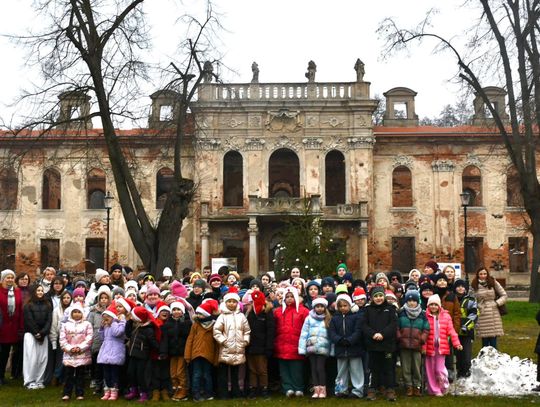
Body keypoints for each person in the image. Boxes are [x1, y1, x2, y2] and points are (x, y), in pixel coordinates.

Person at [213, 286, 251, 399]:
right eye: (229, 301)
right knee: (223, 374)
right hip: (225, 349)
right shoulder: (222, 316)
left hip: (238, 349)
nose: (231, 304)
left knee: (236, 373)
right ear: (225, 303)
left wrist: (245, 341)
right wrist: (223, 341)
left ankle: (236, 392)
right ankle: (223, 393)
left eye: (234, 301)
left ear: (237, 303)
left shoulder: (241, 316)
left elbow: (247, 330)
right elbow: (216, 331)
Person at [362, 285, 398, 401]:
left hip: (387, 345)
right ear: (372, 298)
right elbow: (364, 325)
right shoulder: (368, 310)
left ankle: (390, 390)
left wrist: (383, 334)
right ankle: (372, 389)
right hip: (373, 345)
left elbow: (393, 325)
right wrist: (373, 334)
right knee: (374, 368)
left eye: (380, 296)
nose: (378, 298)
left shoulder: (390, 309)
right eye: (376, 296)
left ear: (384, 296)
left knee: (388, 368)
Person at [423, 294, 462, 396]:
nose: (433, 307)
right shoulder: (425, 316)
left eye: (436, 305)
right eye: (431, 304)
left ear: (439, 306)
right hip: (429, 347)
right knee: (430, 370)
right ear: (428, 306)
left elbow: (451, 331)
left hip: (441, 347)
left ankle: (443, 386)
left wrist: (457, 343)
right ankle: (434, 390)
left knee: (439, 369)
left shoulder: (446, 316)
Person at [273, 286, 309, 397]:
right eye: (287, 297)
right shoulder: (278, 312)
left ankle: (298, 388)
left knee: (296, 369)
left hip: (297, 345)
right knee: (284, 369)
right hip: (281, 344)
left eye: (292, 296)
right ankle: (287, 388)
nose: (289, 299)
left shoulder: (304, 311)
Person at [328, 294, 364, 399]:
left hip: (354, 348)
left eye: (345, 305)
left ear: (350, 305)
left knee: (356, 370)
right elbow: (332, 332)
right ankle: (341, 389)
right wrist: (339, 340)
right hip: (340, 348)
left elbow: (358, 331)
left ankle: (358, 390)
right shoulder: (335, 318)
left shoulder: (356, 317)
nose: (343, 308)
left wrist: (350, 340)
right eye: (340, 306)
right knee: (341, 371)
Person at [184, 299, 220, 402]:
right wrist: (187, 355)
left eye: (201, 314)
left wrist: (216, 358)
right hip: (196, 354)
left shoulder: (214, 326)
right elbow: (190, 340)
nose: (198, 315)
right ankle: (196, 393)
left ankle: (208, 393)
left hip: (209, 354)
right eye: (198, 313)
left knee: (207, 375)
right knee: (197, 374)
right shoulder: (196, 325)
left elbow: (216, 344)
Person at [397, 290, 429, 396]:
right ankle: (408, 386)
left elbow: (426, 328)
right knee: (405, 367)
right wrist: (399, 337)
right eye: (409, 301)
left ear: (417, 302)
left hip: (417, 345)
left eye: (414, 301)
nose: (411, 303)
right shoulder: (401, 312)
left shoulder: (422, 314)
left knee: (416, 367)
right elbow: (397, 327)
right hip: (404, 344)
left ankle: (417, 386)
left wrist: (422, 339)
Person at [124, 306, 159, 402]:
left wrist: (158, 349)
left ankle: (144, 393)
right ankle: (133, 390)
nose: (131, 317)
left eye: (133, 316)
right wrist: (129, 322)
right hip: (133, 354)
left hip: (142, 356)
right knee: (131, 373)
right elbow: (128, 334)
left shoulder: (148, 329)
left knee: (141, 375)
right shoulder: (137, 326)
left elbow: (153, 342)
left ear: (139, 318)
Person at [298, 297, 331, 398]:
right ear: (314, 307)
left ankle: (323, 390)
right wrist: (302, 348)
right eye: (317, 306)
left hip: (323, 348)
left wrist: (332, 349)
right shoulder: (309, 318)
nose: (319, 308)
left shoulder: (328, 318)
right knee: (313, 368)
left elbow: (331, 336)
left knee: (320, 368)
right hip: (311, 347)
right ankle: (316, 390)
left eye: (322, 306)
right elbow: (304, 333)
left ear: (325, 307)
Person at [60, 303, 93, 401]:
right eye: (74, 312)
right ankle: (67, 393)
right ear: (71, 313)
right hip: (69, 354)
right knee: (68, 375)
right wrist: (70, 349)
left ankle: (80, 393)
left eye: (79, 312)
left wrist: (80, 348)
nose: (77, 314)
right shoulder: (65, 325)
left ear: (82, 313)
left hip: (81, 354)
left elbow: (89, 338)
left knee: (80, 375)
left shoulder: (87, 324)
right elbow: (62, 340)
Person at [245, 290, 274, 399]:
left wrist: (269, 347)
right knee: (252, 369)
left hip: (262, 346)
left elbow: (270, 330)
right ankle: (253, 388)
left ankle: (264, 388)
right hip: (251, 346)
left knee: (262, 369)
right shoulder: (250, 312)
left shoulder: (267, 312)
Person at [23, 284, 52, 389]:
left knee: (42, 358)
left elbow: (49, 321)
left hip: (43, 335)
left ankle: (39, 380)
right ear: (33, 292)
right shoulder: (28, 305)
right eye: (38, 290)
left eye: (41, 290)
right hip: (31, 334)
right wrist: (36, 333)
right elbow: (29, 320)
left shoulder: (47, 304)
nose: (40, 292)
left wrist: (42, 333)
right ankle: (29, 380)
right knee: (32, 358)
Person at [470, 266, 507, 349]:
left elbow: (504, 295)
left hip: (493, 312)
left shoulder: (493, 282)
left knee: (493, 340)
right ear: (477, 275)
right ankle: (484, 356)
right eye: (481, 274)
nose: (483, 276)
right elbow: (471, 299)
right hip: (482, 313)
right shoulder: (474, 284)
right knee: (484, 341)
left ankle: (495, 356)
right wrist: (477, 305)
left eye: (485, 274)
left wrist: (496, 303)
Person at [162, 301, 192, 401]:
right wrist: (164, 351)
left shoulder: (186, 322)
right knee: (173, 373)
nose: (176, 311)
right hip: (172, 352)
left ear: (182, 311)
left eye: (178, 309)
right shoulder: (168, 324)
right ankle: (175, 389)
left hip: (182, 352)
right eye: (174, 310)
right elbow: (165, 339)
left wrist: (182, 323)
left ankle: (183, 390)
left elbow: (187, 336)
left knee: (180, 372)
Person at [97, 304, 126, 401]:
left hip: (115, 352)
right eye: (104, 318)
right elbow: (102, 338)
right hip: (106, 352)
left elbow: (117, 333)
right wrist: (101, 328)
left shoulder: (118, 324)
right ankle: (107, 391)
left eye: (108, 317)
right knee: (106, 374)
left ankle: (114, 391)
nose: (106, 320)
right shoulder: (106, 327)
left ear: (113, 317)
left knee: (114, 373)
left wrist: (113, 322)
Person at [87, 285, 112, 394]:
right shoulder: (93, 311)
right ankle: (98, 384)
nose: (103, 300)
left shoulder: (112, 311)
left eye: (106, 298)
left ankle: (107, 383)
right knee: (97, 365)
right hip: (96, 340)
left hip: (108, 340)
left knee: (107, 364)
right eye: (101, 298)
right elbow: (89, 325)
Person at [0, 269, 24, 386]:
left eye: (11, 277)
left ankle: (2, 376)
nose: (10, 279)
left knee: (6, 352)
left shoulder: (17, 291)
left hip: (13, 327)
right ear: (2, 279)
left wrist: (20, 327)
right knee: (1, 353)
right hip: (2, 326)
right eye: (7, 277)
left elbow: (20, 309)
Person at [453, 279, 478, 378]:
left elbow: (474, 314)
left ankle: (466, 373)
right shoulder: (451, 298)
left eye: (462, 286)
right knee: (457, 355)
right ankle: (458, 373)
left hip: (466, 332)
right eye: (458, 286)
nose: (460, 288)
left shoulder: (470, 300)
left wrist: (465, 326)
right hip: (454, 332)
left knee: (466, 356)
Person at [49, 290, 72, 386]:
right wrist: (54, 341)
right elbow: (54, 326)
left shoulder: (73, 310)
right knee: (60, 359)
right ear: (61, 299)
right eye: (64, 298)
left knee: (68, 360)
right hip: (60, 338)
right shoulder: (56, 311)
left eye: (68, 298)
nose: (66, 300)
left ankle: (65, 379)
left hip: (71, 339)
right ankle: (56, 377)